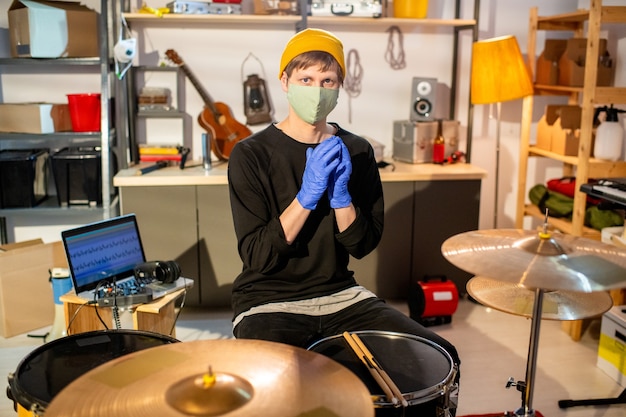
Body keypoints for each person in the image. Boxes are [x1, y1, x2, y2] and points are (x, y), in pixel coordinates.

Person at [227, 28, 460, 415]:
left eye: (327, 81)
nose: (316, 91)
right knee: (286, 390)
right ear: (284, 81)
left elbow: (362, 244)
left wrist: (340, 198)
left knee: (440, 356)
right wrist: (306, 195)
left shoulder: (357, 150)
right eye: (305, 79)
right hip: (268, 302)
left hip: (342, 296)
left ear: (340, 87)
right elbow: (257, 257)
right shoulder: (251, 154)